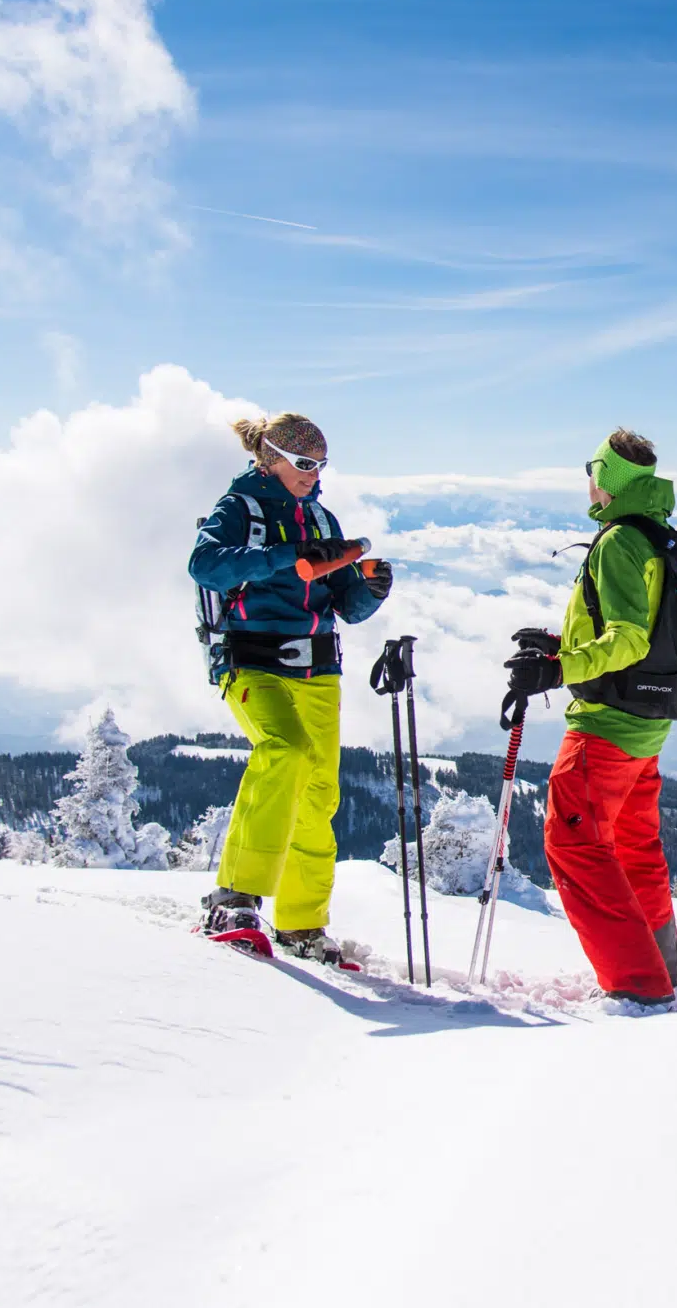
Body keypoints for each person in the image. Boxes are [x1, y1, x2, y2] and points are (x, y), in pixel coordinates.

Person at [188, 413, 392, 963]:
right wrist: (289, 557)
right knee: (284, 751)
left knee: (320, 792)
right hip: (251, 659)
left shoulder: (322, 519)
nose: (314, 473)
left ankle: (302, 925)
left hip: (318, 668)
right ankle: (232, 897)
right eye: (304, 463)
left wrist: (371, 589)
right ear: (270, 459)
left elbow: (345, 607)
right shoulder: (241, 509)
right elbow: (204, 566)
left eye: (321, 465)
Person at [505, 428, 677, 1006]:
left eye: (592, 467)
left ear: (606, 478)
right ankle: (663, 969)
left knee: (572, 842)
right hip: (647, 720)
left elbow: (629, 638)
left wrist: (560, 670)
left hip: (606, 724)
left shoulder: (618, 542)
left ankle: (639, 988)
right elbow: (645, 630)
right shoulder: (659, 536)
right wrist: (561, 645)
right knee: (633, 846)